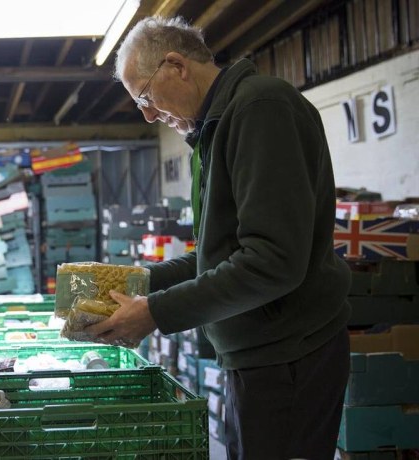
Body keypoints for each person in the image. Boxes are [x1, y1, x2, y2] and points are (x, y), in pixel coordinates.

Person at [86, 16, 351, 459]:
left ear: (176, 66)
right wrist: (137, 281)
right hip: (256, 353)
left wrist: (155, 313)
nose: (149, 114)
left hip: (290, 355)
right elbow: (217, 254)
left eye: (146, 97)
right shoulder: (212, 131)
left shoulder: (260, 109)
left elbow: (271, 261)